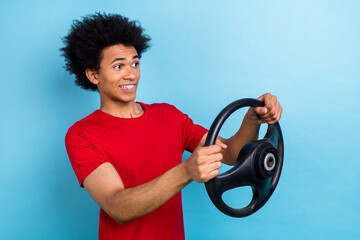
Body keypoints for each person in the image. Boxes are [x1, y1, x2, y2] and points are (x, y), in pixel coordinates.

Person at [62, 12, 282, 240]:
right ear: (93, 75)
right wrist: (186, 171)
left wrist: (251, 120)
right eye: (118, 67)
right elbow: (117, 207)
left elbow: (232, 154)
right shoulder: (82, 135)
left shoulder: (169, 116)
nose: (131, 74)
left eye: (135, 63)